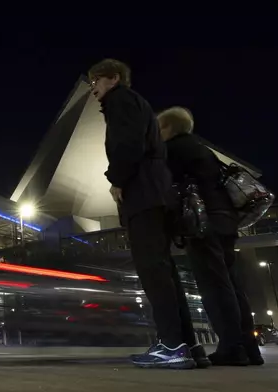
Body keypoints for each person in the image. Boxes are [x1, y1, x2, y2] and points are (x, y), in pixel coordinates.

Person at [88, 59, 203, 369]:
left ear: (112, 78)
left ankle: (173, 346)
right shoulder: (137, 103)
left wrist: (116, 180)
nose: (93, 89)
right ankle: (188, 345)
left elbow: (128, 145)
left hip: (144, 194)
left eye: (95, 81)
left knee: (153, 271)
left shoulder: (120, 100)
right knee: (164, 272)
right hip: (158, 194)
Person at [158, 107, 263, 366]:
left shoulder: (174, 150)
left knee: (214, 286)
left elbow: (162, 184)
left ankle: (231, 347)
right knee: (231, 284)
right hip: (226, 222)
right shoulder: (202, 150)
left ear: (168, 128)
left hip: (203, 223)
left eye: (159, 129)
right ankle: (250, 348)